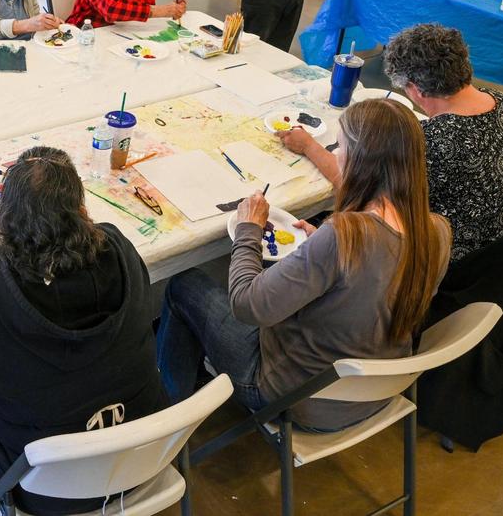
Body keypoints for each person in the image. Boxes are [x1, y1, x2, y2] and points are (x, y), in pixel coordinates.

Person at [157, 99, 451, 431]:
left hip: (300, 397)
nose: (337, 155)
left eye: (341, 147)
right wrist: (319, 253)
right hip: (375, 391)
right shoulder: (436, 231)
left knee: (183, 285)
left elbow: (246, 305)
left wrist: (249, 229)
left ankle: (165, 423)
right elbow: (368, 287)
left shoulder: (345, 236)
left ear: (359, 161)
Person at [0, 146, 167, 514]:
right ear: (82, 211)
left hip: (45, 490)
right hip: (145, 456)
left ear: (1, 221)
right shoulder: (120, 249)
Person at [279, 23, 503, 262]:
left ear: (416, 89)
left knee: (318, 217)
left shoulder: (429, 140)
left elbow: (358, 190)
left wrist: (308, 146)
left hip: (445, 263)